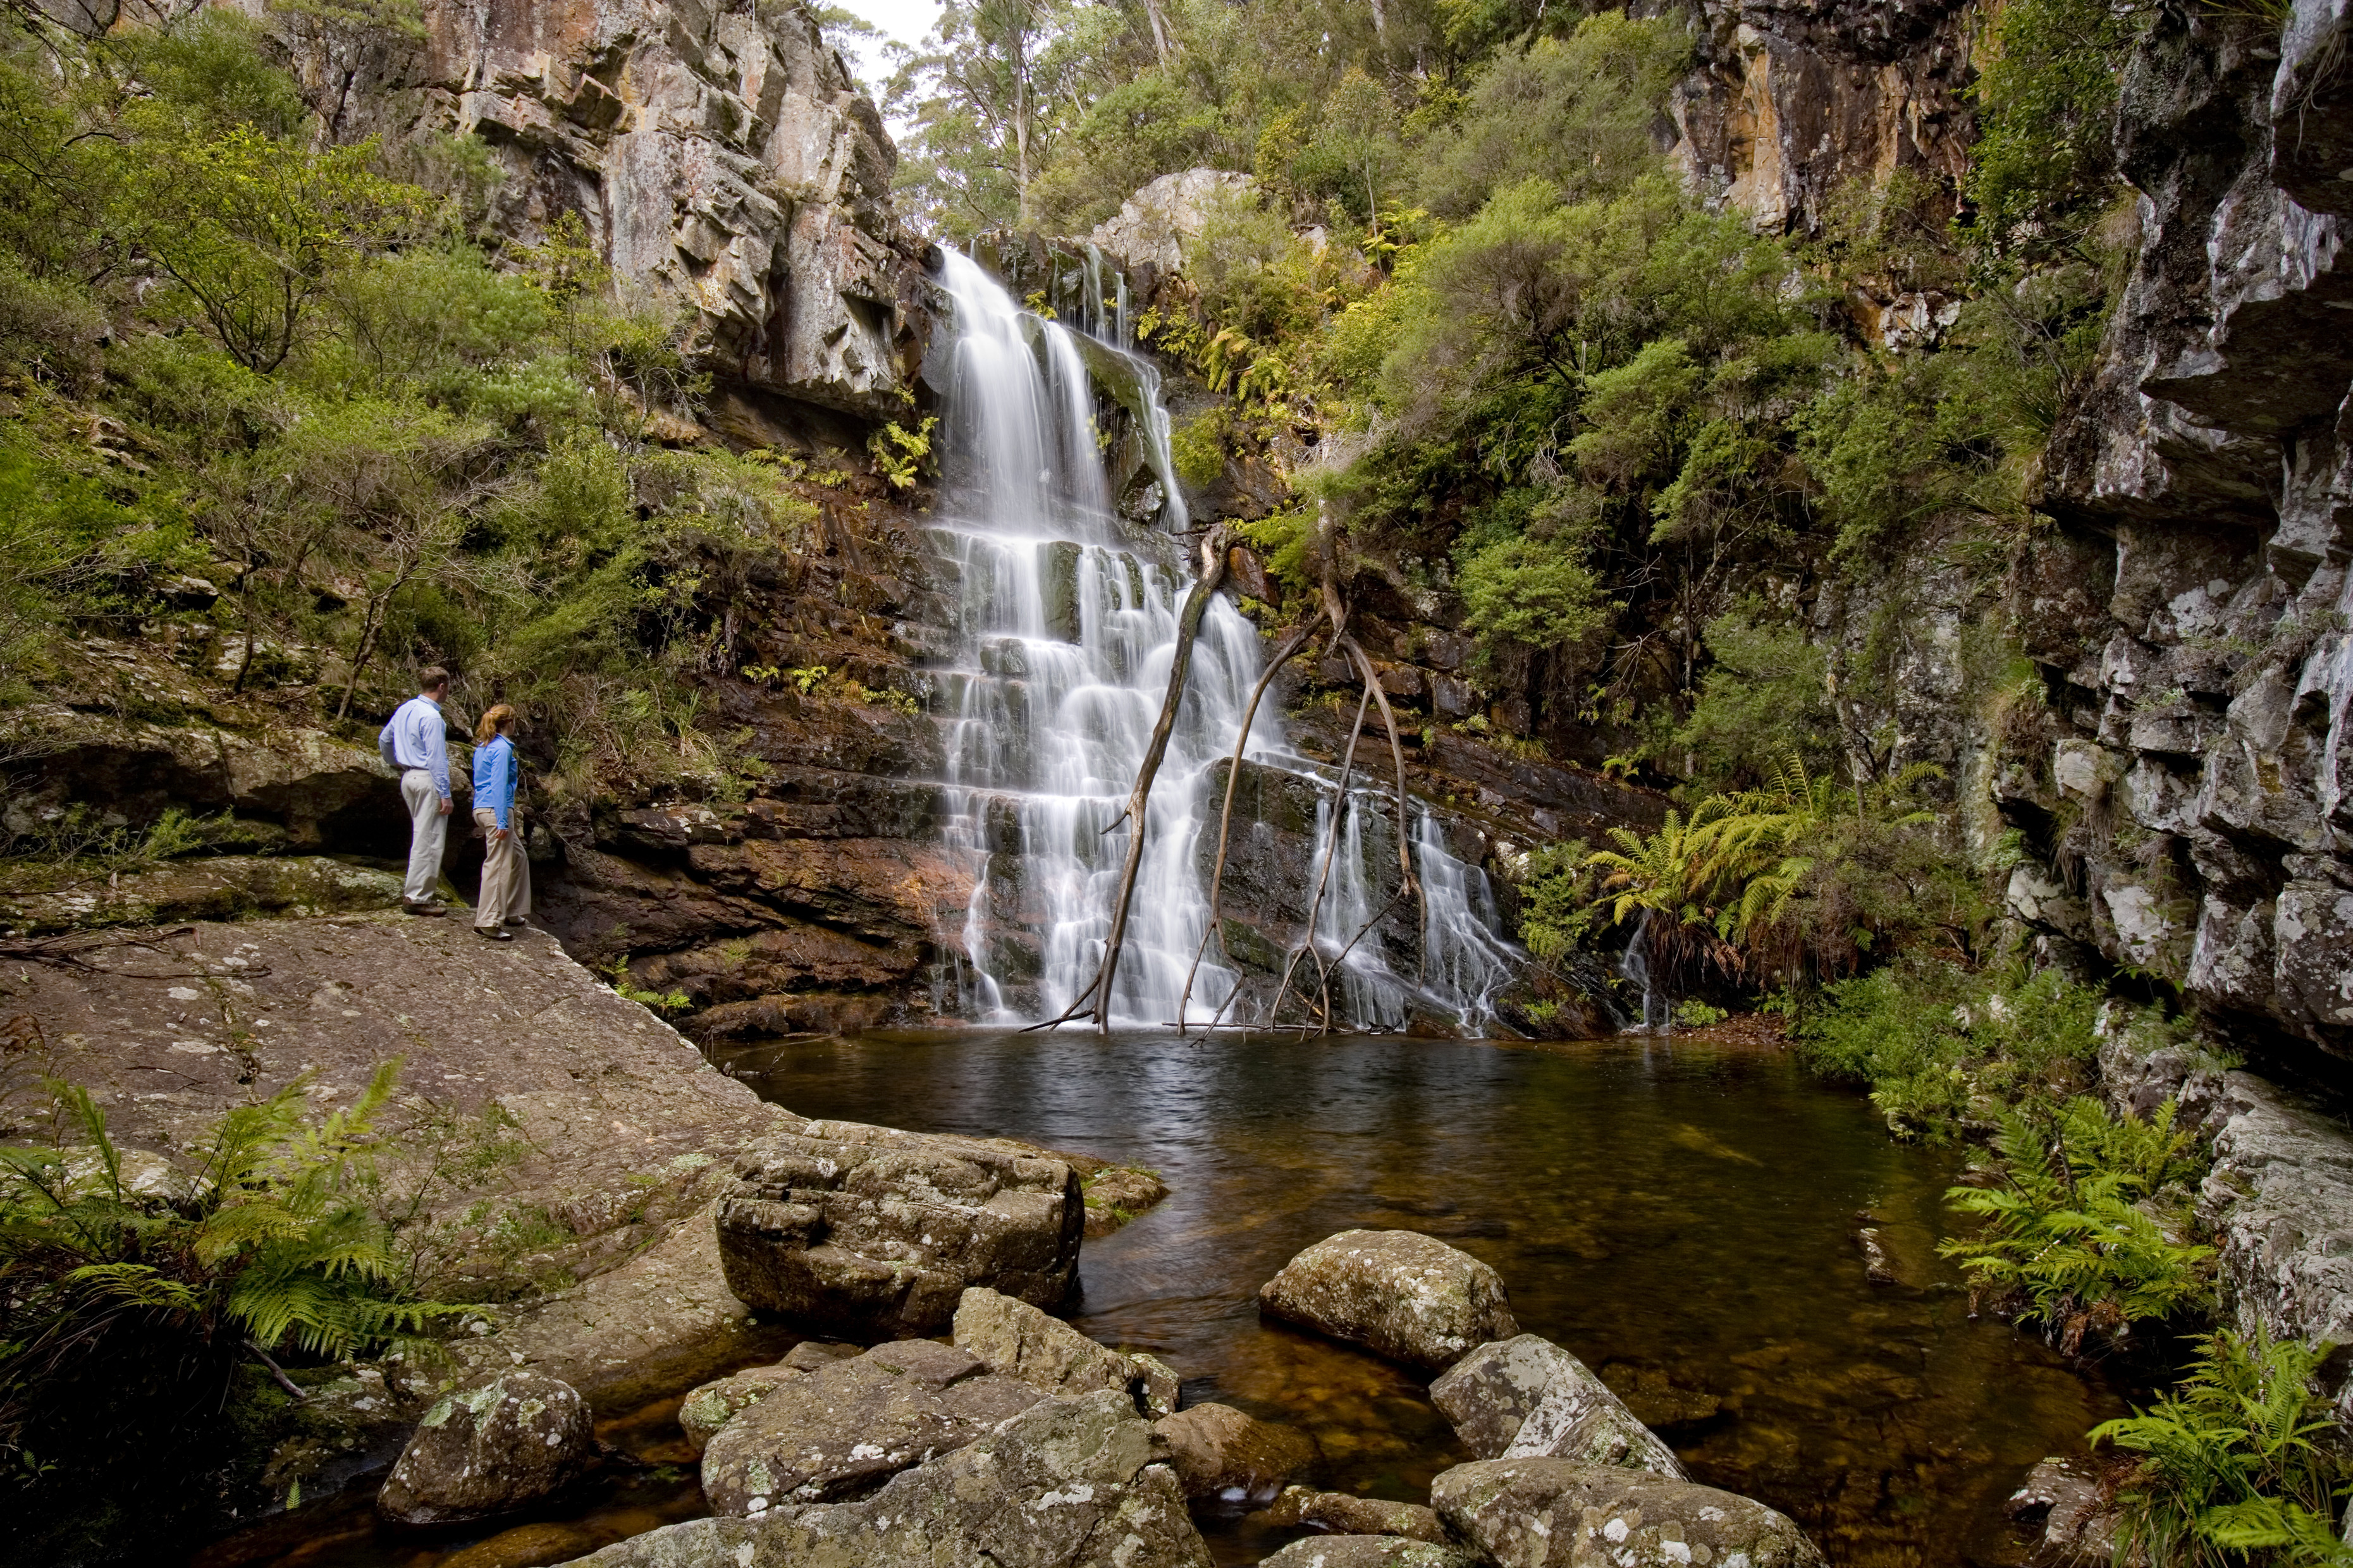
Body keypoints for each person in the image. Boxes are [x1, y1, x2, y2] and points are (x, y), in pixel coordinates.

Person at [379, 668, 454, 916]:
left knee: (422, 835)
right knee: (429, 839)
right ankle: (418, 898)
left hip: (408, 776)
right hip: (426, 779)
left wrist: (396, 762)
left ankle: (416, 893)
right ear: (441, 687)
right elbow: (437, 760)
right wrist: (445, 793)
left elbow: (384, 740)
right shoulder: (432, 718)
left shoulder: (405, 709)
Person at [470, 704, 531, 941]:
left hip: (483, 808)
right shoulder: (502, 750)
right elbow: (497, 785)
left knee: (518, 857)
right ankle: (487, 921)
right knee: (498, 865)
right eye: (515, 721)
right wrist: (503, 821)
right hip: (496, 811)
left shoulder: (483, 747)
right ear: (509, 723)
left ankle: (512, 911)